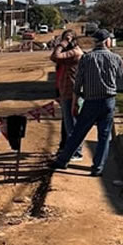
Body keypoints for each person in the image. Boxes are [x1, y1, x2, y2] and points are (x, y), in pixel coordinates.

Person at [51, 29, 123, 177]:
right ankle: (98, 168)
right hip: (109, 101)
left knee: (78, 132)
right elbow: (119, 76)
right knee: (104, 136)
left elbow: (78, 82)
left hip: (90, 101)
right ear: (107, 41)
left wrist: (75, 102)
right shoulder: (116, 58)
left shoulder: (87, 58)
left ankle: (62, 160)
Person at [50, 29, 84, 161]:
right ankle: (70, 150)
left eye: (68, 38)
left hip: (72, 93)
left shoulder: (75, 52)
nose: (65, 41)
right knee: (69, 125)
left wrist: (63, 43)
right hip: (66, 91)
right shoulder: (69, 53)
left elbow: (54, 57)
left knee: (72, 125)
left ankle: (77, 152)